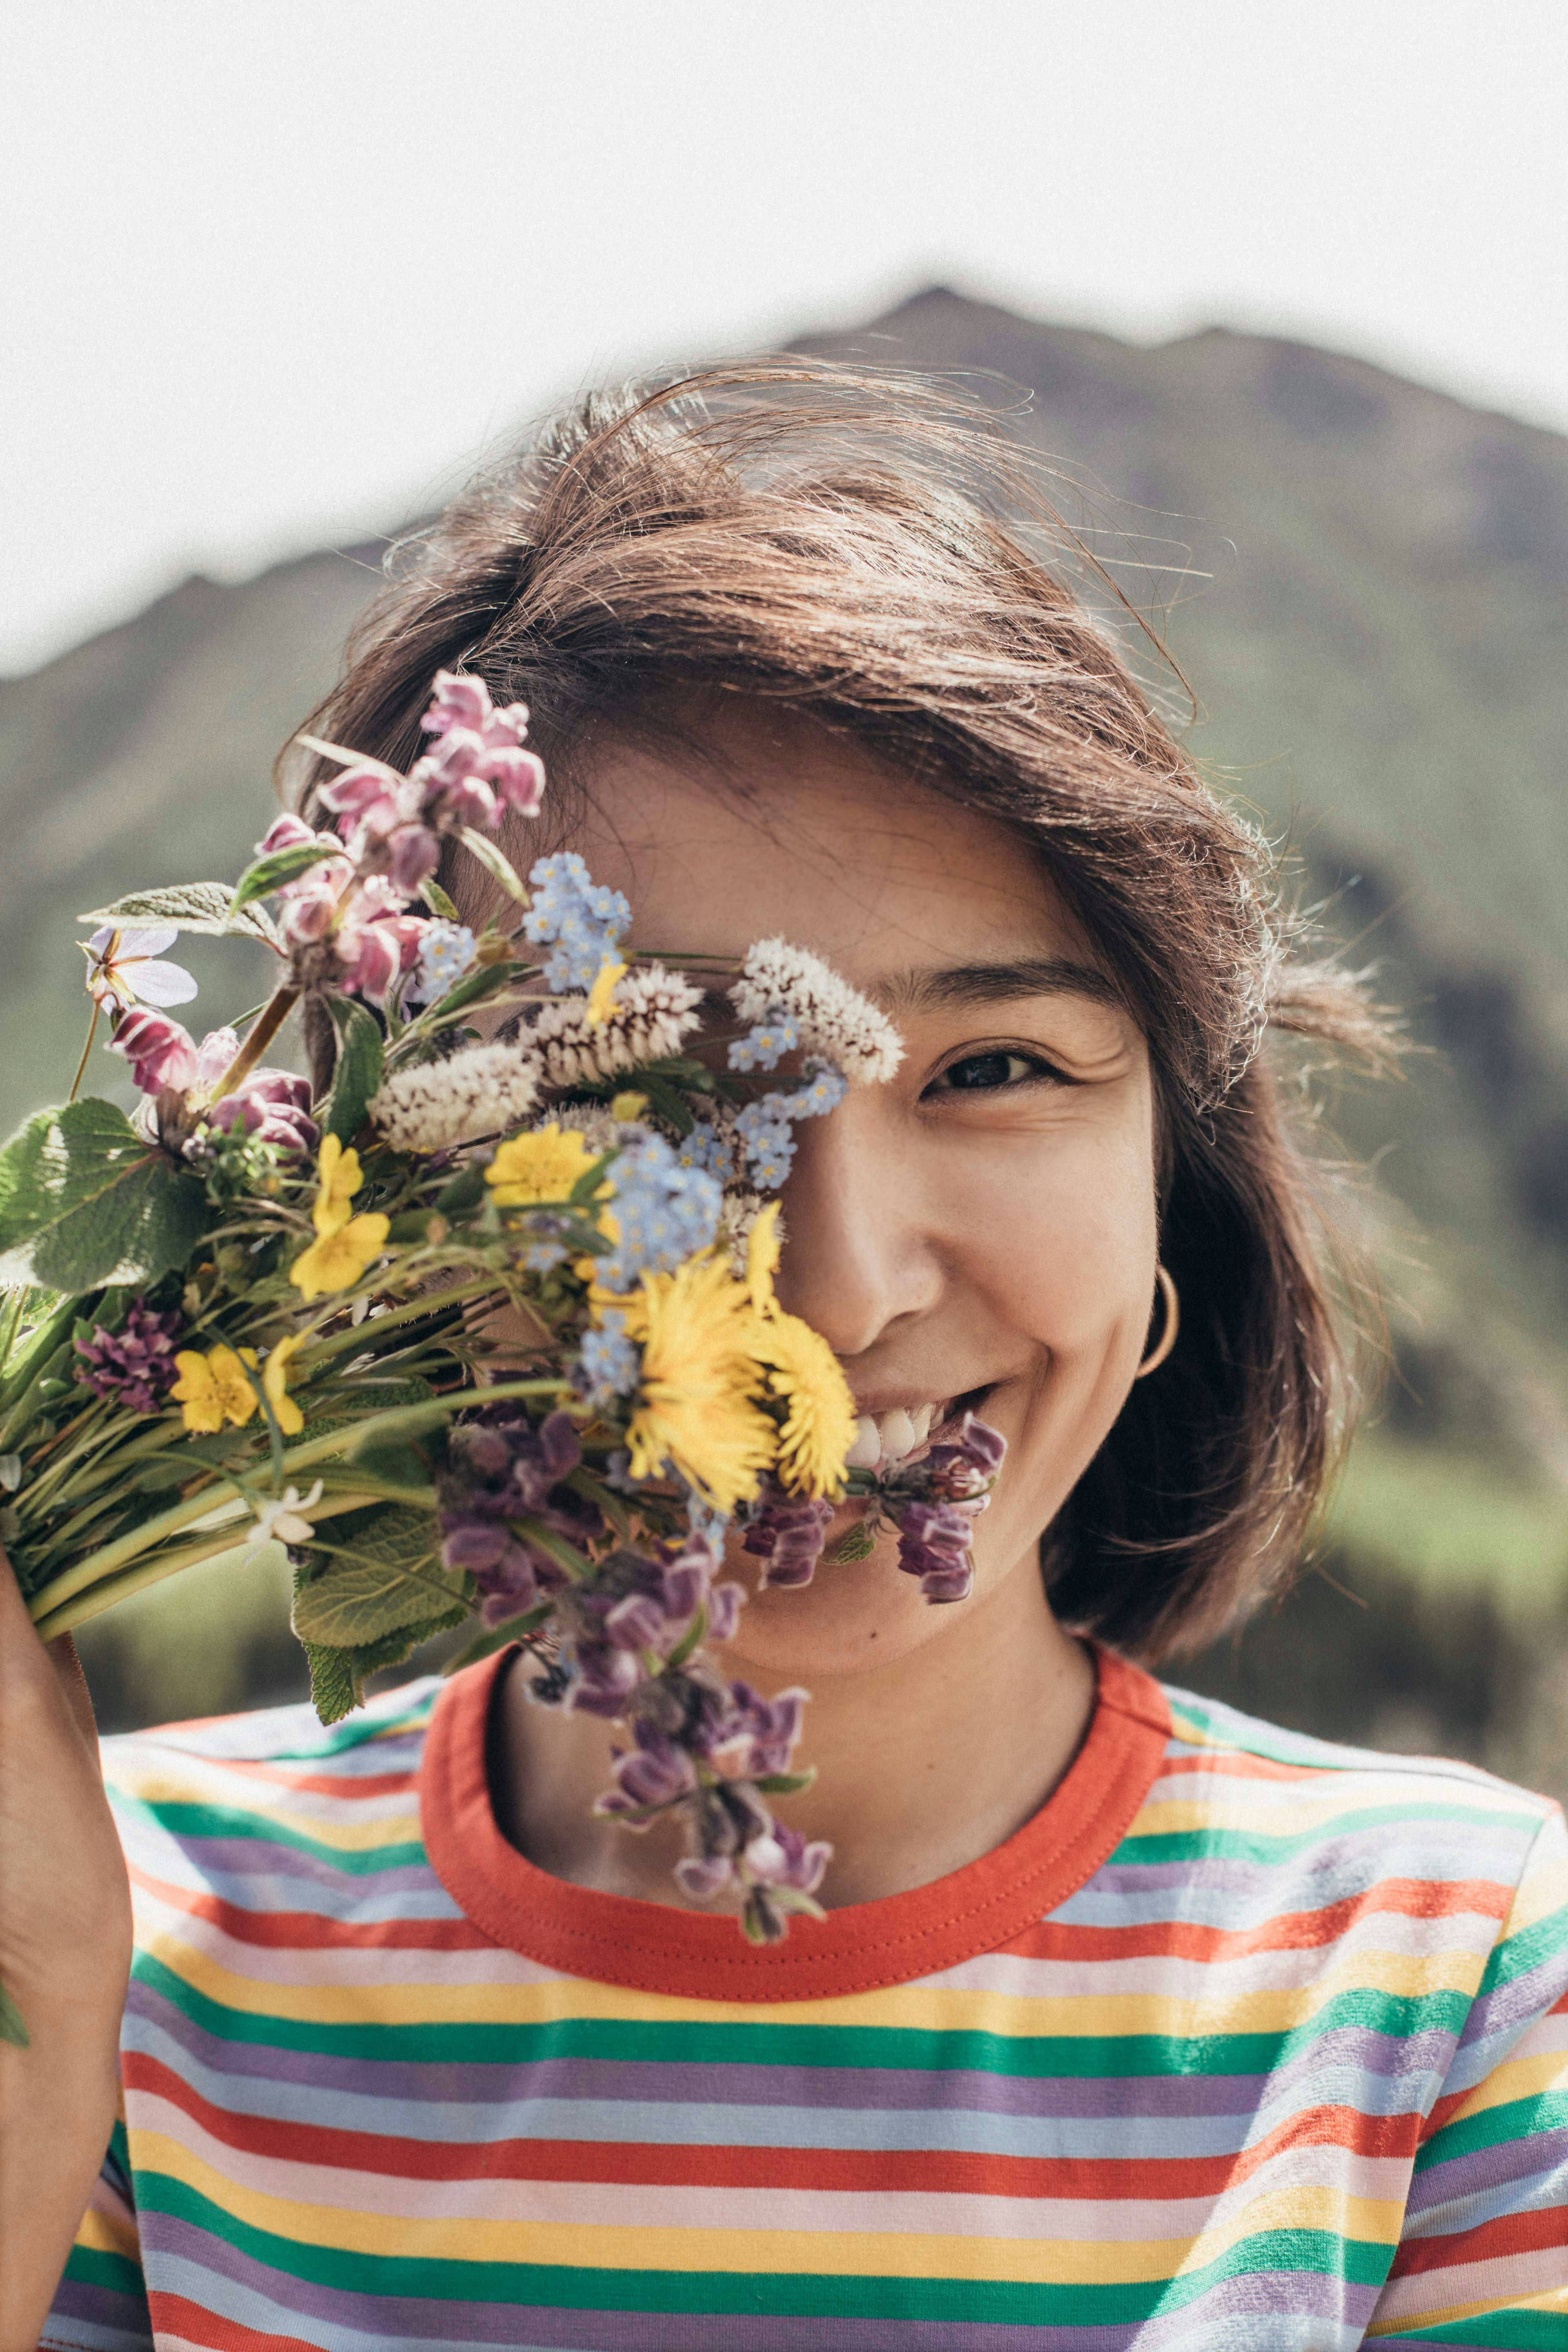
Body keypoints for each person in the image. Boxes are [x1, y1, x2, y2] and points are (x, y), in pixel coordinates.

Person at [5, 368, 1566, 2351]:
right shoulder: (112, 1940)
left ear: (1173, 1174)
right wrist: (43, 2017)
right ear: (380, 1185)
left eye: (994, 1071)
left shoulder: (1459, 1994)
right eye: (658, 1084)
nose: (837, 1282)